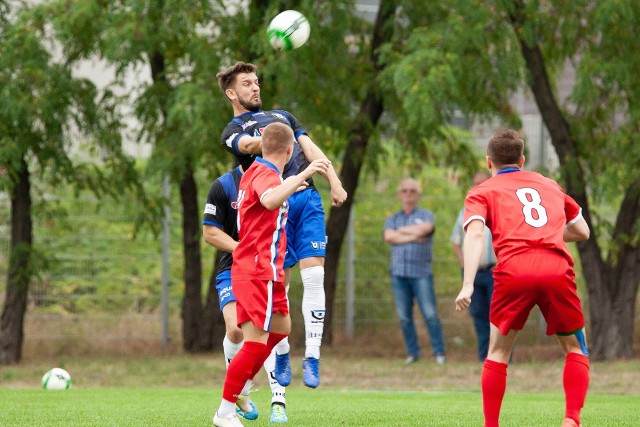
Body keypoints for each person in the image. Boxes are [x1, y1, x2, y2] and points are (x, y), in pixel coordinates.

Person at [216, 61, 347, 388]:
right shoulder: (233, 130)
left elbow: (310, 147)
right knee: (280, 287)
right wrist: (273, 143)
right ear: (232, 93)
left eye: (256, 81)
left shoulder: (283, 116)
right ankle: (284, 350)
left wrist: (334, 180)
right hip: (276, 207)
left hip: (308, 199)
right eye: (247, 83)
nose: (255, 87)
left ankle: (313, 356)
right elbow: (246, 147)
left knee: (315, 273)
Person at [455, 129, 590, 427]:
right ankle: (572, 419)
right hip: (556, 267)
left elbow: (475, 233)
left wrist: (467, 284)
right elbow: (583, 231)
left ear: (489, 162)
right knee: (575, 348)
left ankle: (491, 425)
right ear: (523, 159)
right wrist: (550, 235)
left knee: (499, 351)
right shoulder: (549, 185)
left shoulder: (482, 191)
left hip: (514, 269)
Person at [212, 122, 331, 427]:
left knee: (282, 328)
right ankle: (225, 410)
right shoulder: (265, 174)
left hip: (270, 271)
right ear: (291, 151)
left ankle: (239, 384)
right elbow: (268, 200)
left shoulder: (265, 173)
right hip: (255, 270)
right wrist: (303, 175)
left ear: (263, 147)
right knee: (254, 343)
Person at [203, 165, 288, 423]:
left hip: (262, 268)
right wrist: (241, 249)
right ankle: (230, 403)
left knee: (279, 329)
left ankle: (240, 388)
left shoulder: (275, 179)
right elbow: (209, 232)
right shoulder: (224, 185)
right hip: (233, 267)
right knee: (237, 331)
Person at [383, 178, 446, 365]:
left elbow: (427, 229)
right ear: (399, 194)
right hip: (398, 273)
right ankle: (413, 353)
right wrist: (414, 234)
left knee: (430, 314)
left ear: (418, 194)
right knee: (404, 317)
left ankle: (439, 353)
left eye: (412, 190)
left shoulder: (426, 215)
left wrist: (400, 233)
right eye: (404, 190)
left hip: (421, 273)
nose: (408, 194)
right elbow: (389, 236)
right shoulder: (392, 219)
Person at [450, 171, 496, 361]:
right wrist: (464, 263)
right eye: (475, 183)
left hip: (495, 271)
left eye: (482, 183)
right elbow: (456, 240)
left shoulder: (499, 207)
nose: (478, 186)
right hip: (473, 274)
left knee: (498, 314)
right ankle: (483, 356)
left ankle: (500, 356)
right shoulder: (467, 210)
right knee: (478, 314)